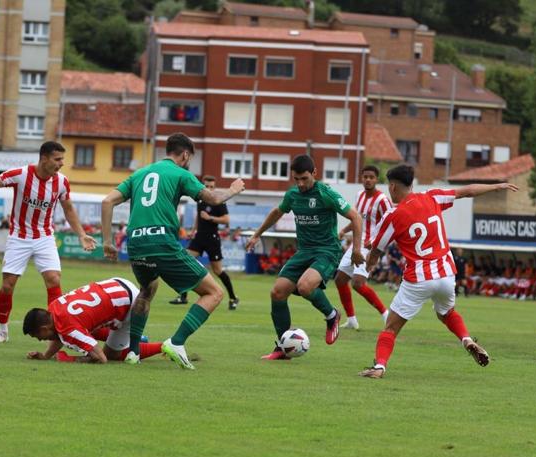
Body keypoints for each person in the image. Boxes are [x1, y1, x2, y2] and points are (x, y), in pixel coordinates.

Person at [100, 133, 245, 369]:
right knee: (213, 293)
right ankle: (176, 342)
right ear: (185, 154)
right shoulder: (180, 173)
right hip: (161, 243)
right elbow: (213, 198)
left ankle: (133, 352)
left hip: (135, 244)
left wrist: (107, 241)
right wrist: (233, 189)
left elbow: (107, 201)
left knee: (147, 289)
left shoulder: (139, 173)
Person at [358, 165, 518, 378]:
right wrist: (497, 185)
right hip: (445, 274)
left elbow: (377, 250)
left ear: (393, 186)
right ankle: (467, 339)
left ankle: (379, 367)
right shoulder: (432, 197)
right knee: (447, 313)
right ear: (411, 184)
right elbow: (467, 190)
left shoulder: (393, 214)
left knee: (390, 328)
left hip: (419, 278)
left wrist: (368, 264)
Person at [0, 141, 96, 343]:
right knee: (7, 285)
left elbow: (68, 209)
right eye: (57, 159)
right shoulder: (21, 174)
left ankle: (57, 330)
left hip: (44, 237)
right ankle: (2, 331)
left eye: (62, 160)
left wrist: (82, 234)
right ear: (44, 158)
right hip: (19, 237)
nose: (61, 164)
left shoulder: (61, 182)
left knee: (54, 280)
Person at [246, 154, 363, 360]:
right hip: (304, 251)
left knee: (305, 286)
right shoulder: (293, 195)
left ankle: (332, 315)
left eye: (304, 179)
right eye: (296, 179)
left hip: (327, 250)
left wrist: (356, 249)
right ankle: (283, 348)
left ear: (314, 174)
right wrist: (257, 235)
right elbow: (277, 212)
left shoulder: (326, 193)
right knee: (278, 292)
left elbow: (355, 216)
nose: (300, 184)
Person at [23, 277, 165, 364]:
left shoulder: (68, 329)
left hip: (129, 305)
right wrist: (46, 356)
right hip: (118, 283)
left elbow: (101, 358)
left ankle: (164, 346)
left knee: (112, 354)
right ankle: (138, 338)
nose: (40, 340)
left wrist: (70, 359)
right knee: (86, 330)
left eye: (37, 336)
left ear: (43, 329)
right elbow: (59, 333)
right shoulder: (54, 308)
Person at [169, 175, 240, 310]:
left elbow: (226, 220)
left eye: (211, 187)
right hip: (199, 237)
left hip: (212, 238)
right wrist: (193, 230)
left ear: (215, 187)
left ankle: (233, 297)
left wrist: (210, 218)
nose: (209, 189)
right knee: (185, 261)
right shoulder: (200, 200)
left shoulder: (219, 202)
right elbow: (198, 217)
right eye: (206, 186)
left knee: (218, 270)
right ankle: (183, 297)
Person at [334, 165, 391, 330]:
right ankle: (352, 320)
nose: (368, 179)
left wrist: (376, 243)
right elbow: (357, 220)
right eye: (365, 176)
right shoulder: (360, 196)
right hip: (357, 244)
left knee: (358, 283)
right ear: (362, 178)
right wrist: (344, 230)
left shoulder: (382, 200)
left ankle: (386, 315)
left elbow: (390, 223)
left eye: (371, 177)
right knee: (340, 279)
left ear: (376, 179)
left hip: (370, 247)